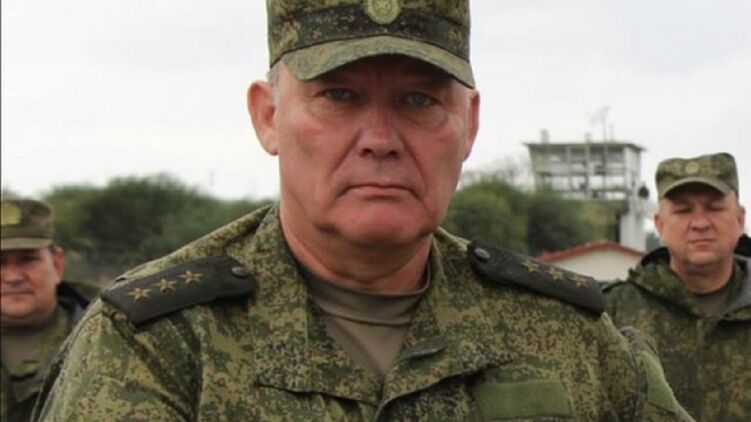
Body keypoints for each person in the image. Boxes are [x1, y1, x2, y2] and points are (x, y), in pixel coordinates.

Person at [34, 1, 691, 420]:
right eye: (339, 96)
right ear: (267, 116)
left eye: (418, 101)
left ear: (469, 124)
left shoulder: (567, 333)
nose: (379, 138)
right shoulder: (159, 341)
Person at [604, 152, 750, 421]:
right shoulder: (613, 313)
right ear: (660, 224)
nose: (700, 223)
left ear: (740, 219)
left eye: (714, 208)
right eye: (683, 211)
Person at [1, 197, 99, 422]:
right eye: (0, 262)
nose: (13, 277)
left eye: (28, 260)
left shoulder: (106, 336)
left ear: (57, 264)